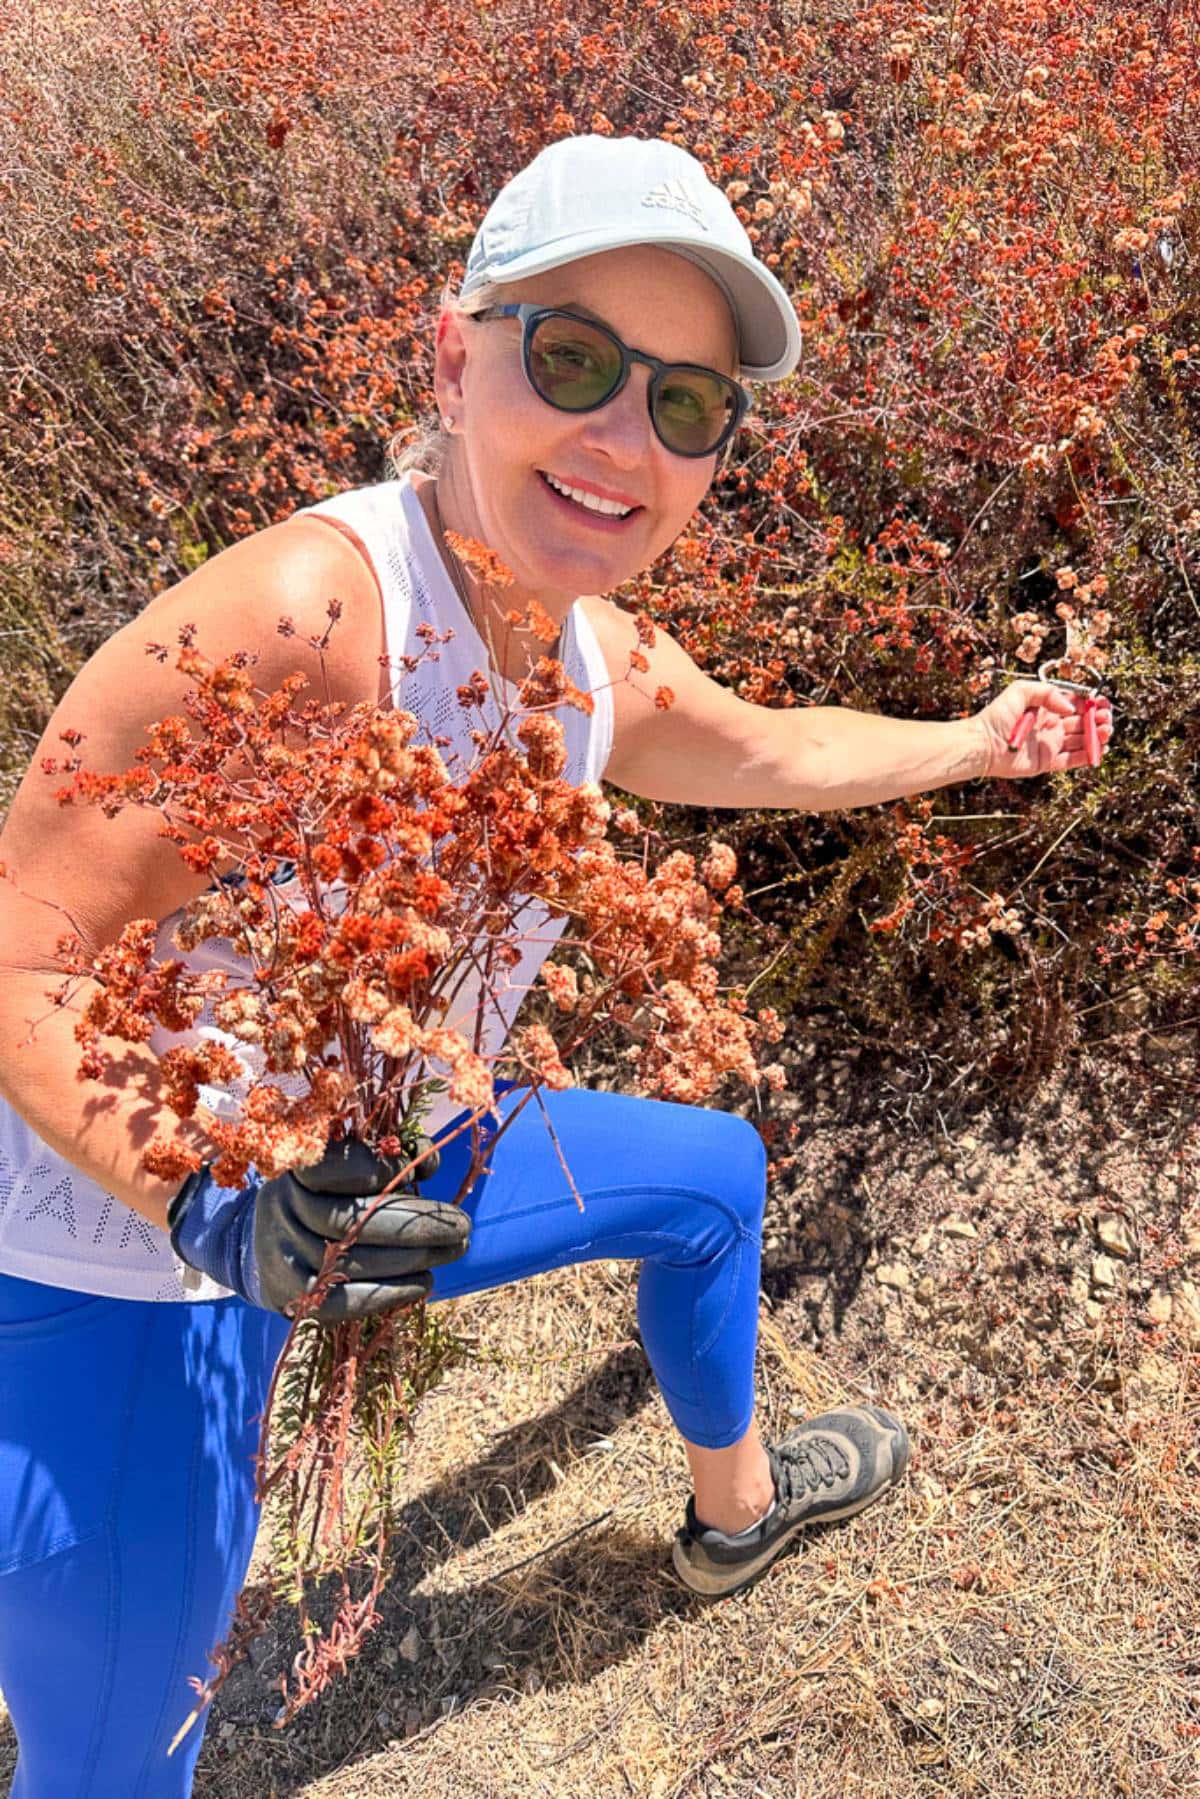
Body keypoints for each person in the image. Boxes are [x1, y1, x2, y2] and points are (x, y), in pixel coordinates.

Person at [0, 133, 1113, 1794]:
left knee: (711, 1173)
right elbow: (23, 953)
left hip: (385, 1167)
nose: (623, 439)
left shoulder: (582, 653)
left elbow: (766, 750)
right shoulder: (311, 619)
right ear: (456, 357)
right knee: (117, 1762)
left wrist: (977, 740)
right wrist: (210, 1206)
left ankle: (732, 1517)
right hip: (126, 1262)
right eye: (576, 359)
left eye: (686, 404)